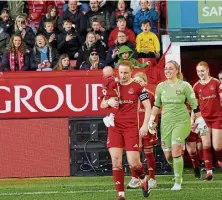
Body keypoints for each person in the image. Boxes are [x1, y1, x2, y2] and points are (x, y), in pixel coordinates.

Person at [148, 60, 208, 191]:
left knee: (176, 150)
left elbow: (194, 105)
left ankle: (178, 182)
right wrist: (151, 120)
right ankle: (177, 171)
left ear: (177, 70)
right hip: (166, 123)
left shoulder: (185, 85)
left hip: (181, 122)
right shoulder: (160, 86)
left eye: (170, 68)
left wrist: (200, 120)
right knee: (169, 156)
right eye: (166, 68)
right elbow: (156, 105)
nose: (167, 71)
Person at [100, 60, 152, 200]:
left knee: (133, 162)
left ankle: (143, 178)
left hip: (131, 128)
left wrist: (145, 124)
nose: (123, 75)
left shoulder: (138, 87)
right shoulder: (113, 86)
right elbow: (102, 103)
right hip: (115, 127)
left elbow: (148, 106)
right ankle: (121, 195)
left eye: (126, 73)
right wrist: (108, 102)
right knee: (116, 161)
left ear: (131, 72)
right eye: (121, 72)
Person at [127, 72, 158, 189]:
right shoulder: (131, 95)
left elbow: (156, 111)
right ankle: (135, 178)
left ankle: (152, 178)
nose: (138, 83)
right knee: (134, 154)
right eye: (136, 81)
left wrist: (153, 124)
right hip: (133, 128)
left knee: (148, 152)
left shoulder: (150, 95)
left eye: (140, 81)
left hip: (146, 128)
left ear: (145, 82)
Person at [193, 61, 222, 180]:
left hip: (217, 117)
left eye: (202, 71)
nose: (200, 73)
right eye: (198, 71)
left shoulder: (216, 82)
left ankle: (219, 159)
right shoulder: (196, 86)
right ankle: (209, 171)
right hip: (203, 120)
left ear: (208, 70)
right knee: (206, 144)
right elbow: (195, 107)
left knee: (217, 147)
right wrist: (193, 120)